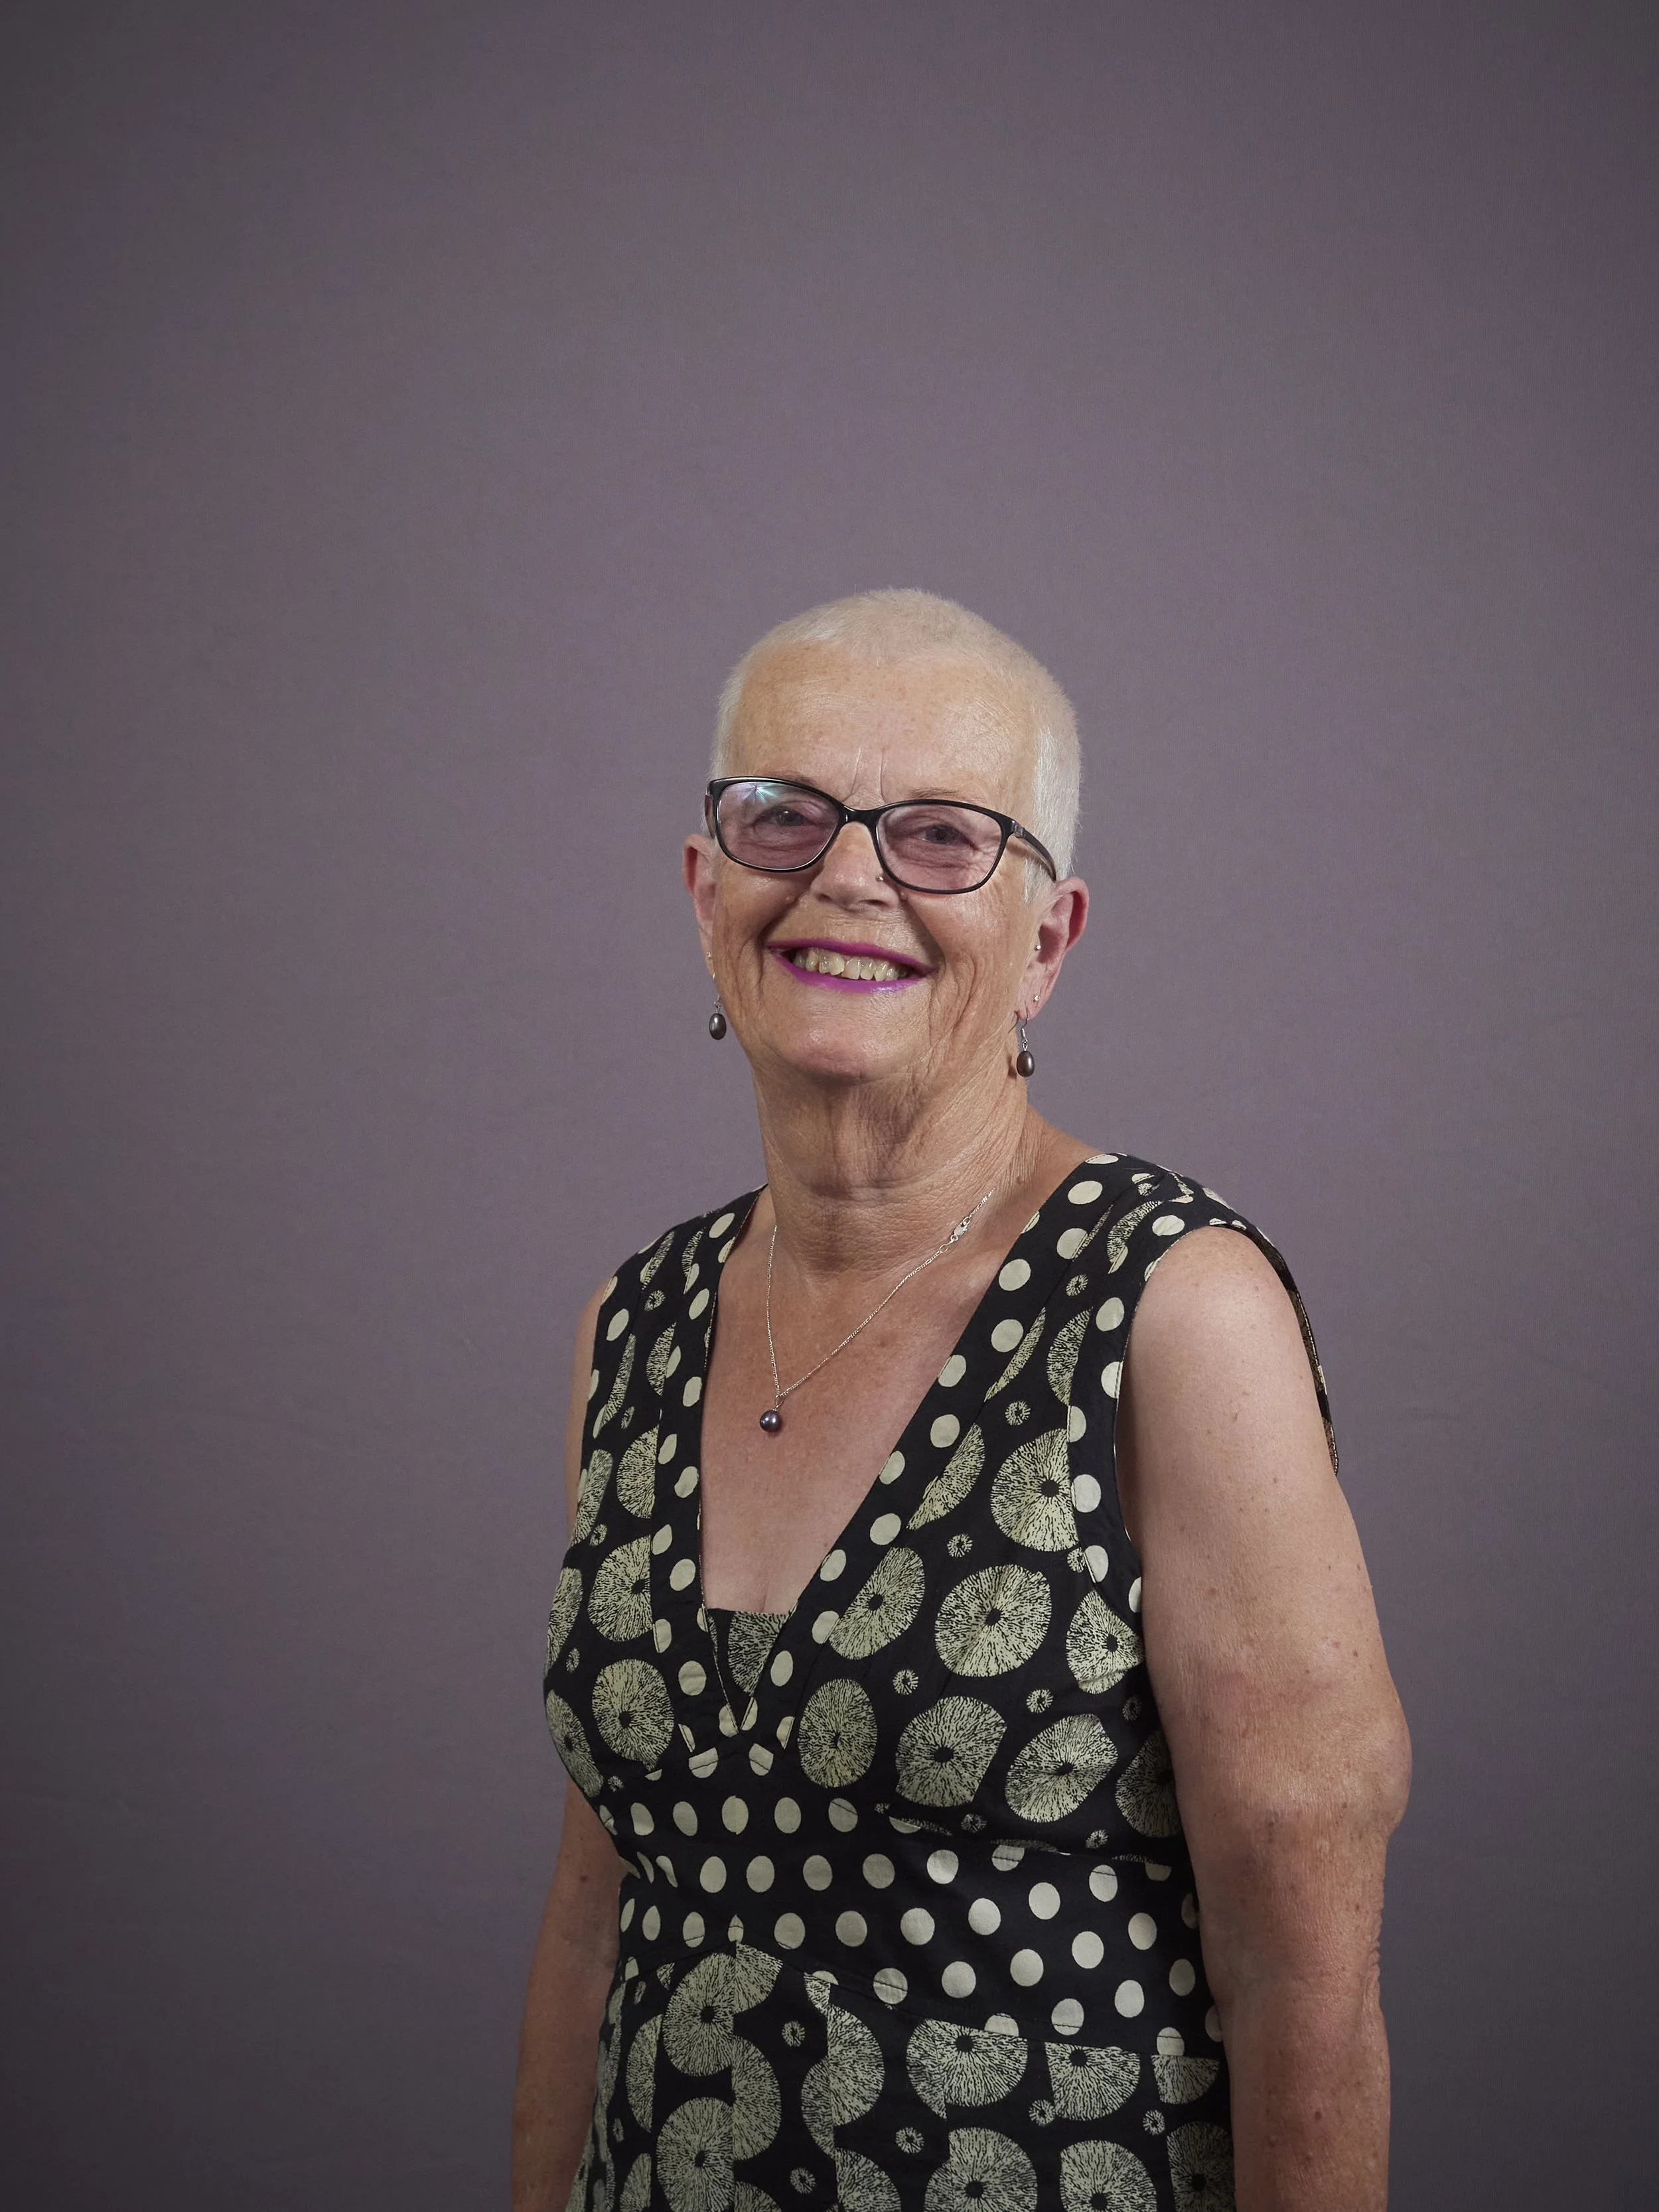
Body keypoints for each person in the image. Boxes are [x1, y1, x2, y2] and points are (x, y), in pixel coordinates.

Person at [511, 590, 1409, 2212]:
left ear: (1046, 939)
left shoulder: (1171, 1308)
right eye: (782, 815)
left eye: (939, 835)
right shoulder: (629, 1325)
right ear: (706, 888)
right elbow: (595, 1918)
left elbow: (1307, 1988)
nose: (847, 877)